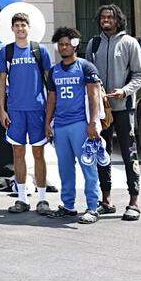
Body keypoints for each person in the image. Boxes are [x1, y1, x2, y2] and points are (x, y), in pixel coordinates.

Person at [86, 4, 141, 221]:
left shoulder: (130, 43)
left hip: (124, 109)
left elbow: (140, 75)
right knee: (102, 154)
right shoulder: (93, 44)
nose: (106, 20)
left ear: (118, 20)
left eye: (110, 17)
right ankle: (106, 200)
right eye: (102, 17)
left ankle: (134, 201)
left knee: (130, 154)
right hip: (101, 111)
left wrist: (124, 91)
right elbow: (88, 76)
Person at [45, 26, 105, 224]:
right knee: (65, 169)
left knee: (88, 166)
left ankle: (93, 207)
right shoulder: (54, 71)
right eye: (60, 44)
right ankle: (68, 206)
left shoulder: (86, 67)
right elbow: (51, 100)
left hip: (80, 124)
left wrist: (93, 122)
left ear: (74, 45)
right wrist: (48, 123)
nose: (63, 48)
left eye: (66, 44)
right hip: (60, 125)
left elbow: (94, 95)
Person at [0, 12, 54, 215]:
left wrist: (51, 113)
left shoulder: (40, 50)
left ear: (29, 27)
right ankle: (21, 199)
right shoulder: (7, 51)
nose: (20, 28)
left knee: (39, 153)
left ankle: (42, 199)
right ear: (12, 29)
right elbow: (1, 82)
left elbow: (50, 82)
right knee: (18, 154)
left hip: (38, 109)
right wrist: (1, 109)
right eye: (17, 25)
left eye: (23, 25)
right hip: (15, 111)